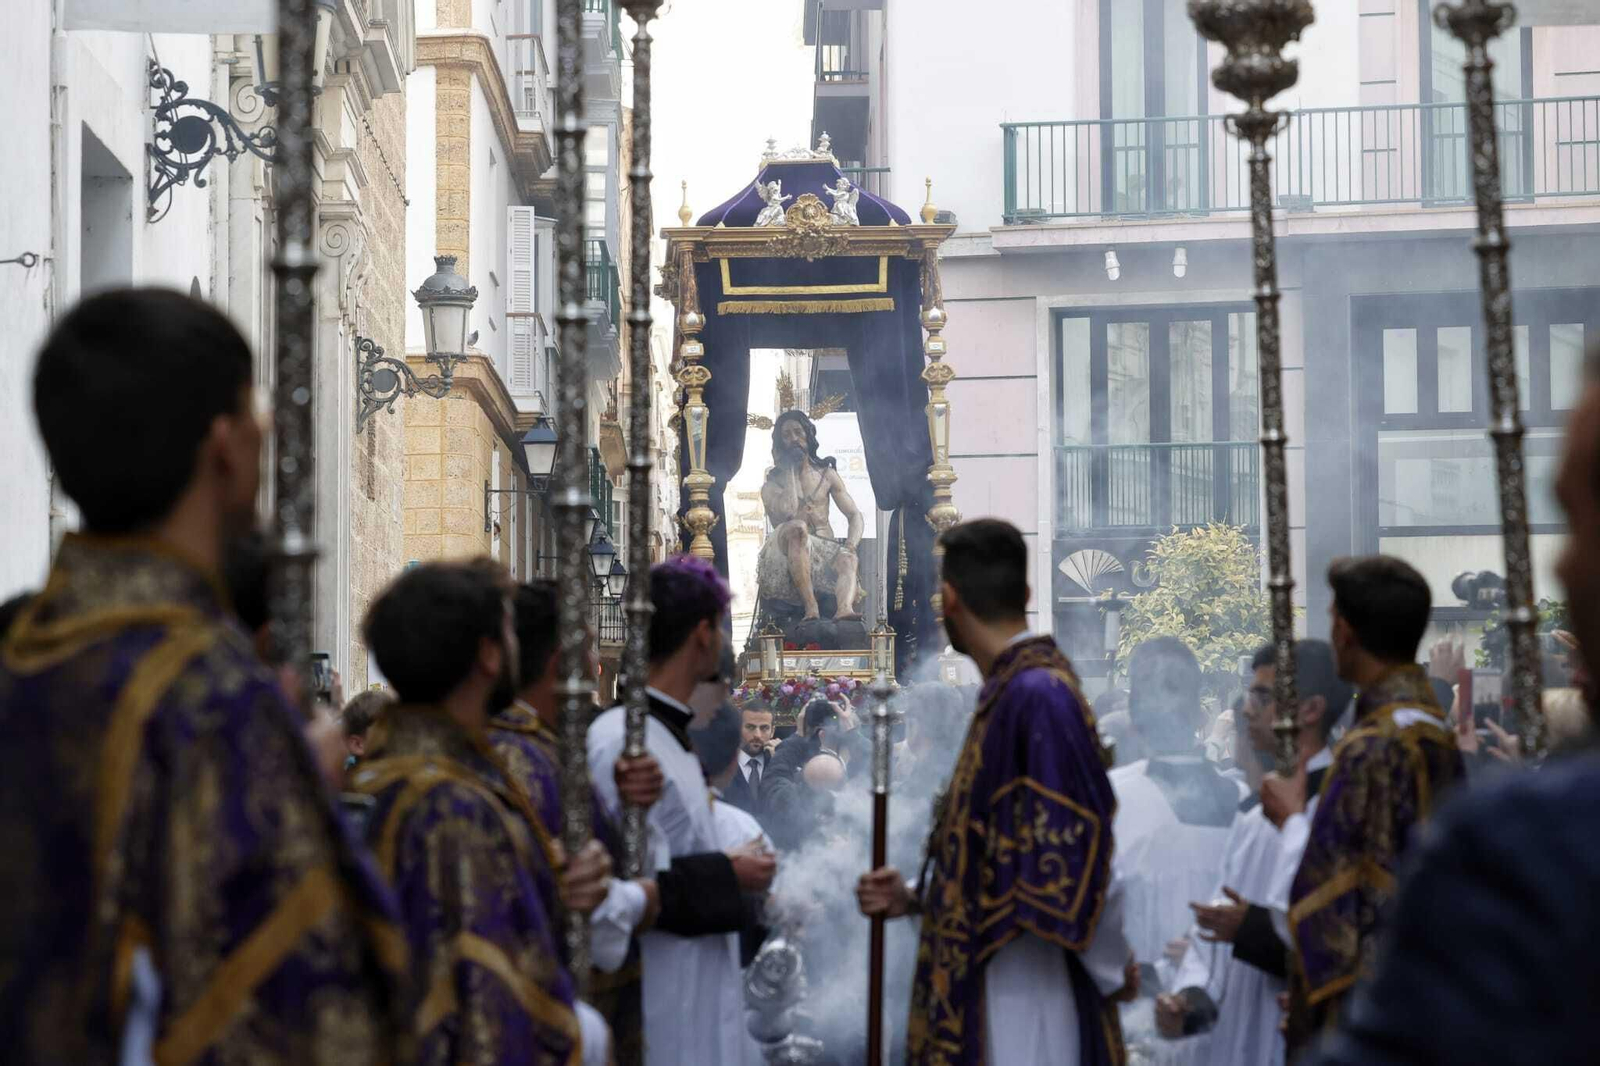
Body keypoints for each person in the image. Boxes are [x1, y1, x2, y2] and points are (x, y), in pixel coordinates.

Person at [0, 288, 403, 1063]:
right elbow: (313, 1015)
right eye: (254, 410)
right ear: (224, 446)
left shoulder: (21, 651)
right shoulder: (211, 698)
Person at [1299, 354, 1600, 1064]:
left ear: (1344, 630)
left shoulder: (1524, 839)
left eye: (1583, 518)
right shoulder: (1427, 729)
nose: (1560, 564)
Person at [855, 518, 1135, 1065]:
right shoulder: (1011, 693)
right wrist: (916, 895)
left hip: (1025, 1000)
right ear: (1026, 595)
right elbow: (998, 852)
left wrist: (1109, 966)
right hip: (995, 983)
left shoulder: (1038, 695)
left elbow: (1083, 856)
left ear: (949, 600)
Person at [350, 561, 611, 1064]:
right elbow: (490, 1007)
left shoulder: (384, 775)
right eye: (510, 632)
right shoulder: (453, 806)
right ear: (490, 655)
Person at [1260, 556, 1464, 1057]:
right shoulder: (1434, 729)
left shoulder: (1371, 746)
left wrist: (1290, 821)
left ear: (1344, 631)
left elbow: (1333, 900)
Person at [586, 556, 778, 1066]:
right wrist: (730, 873)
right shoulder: (621, 741)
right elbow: (620, 890)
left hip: (699, 993)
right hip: (659, 1002)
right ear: (703, 634)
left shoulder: (670, 740)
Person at [1159, 641, 1353, 1066]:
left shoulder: (1345, 805)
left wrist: (1250, 929)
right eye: (1251, 694)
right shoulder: (1252, 816)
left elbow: (1339, 936)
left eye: (1263, 697)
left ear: (1310, 710)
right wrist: (1189, 1000)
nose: (1247, 710)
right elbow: (1212, 934)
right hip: (1234, 1032)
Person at [758, 410, 865, 621]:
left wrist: (851, 544)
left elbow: (854, 515)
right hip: (785, 547)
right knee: (798, 527)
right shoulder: (772, 484)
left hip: (824, 547)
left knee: (848, 558)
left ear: (808, 435)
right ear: (780, 444)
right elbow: (788, 511)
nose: (793, 439)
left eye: (798, 432)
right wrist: (789, 469)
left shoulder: (827, 475)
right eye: (786, 435)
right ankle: (810, 607)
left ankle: (844, 609)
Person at [723, 703, 776, 814]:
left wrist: (779, 760)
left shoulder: (777, 764)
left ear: (772, 731)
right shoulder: (722, 766)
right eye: (750, 727)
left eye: (764, 728)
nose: (757, 735)